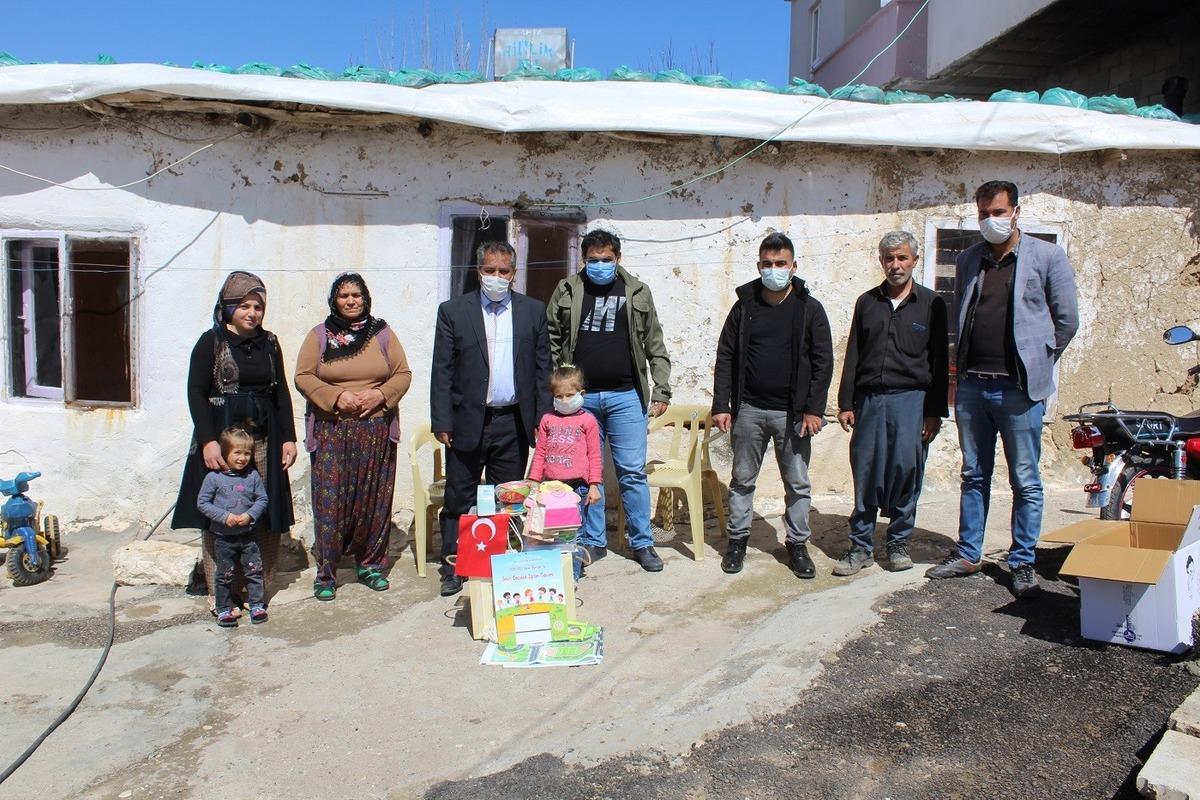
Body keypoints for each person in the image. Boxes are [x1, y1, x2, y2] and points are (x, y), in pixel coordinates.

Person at [926, 180, 1078, 597]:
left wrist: (1038, 360)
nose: (990, 220)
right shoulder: (969, 258)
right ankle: (968, 553)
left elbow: (1067, 320)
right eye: (984, 214)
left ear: (1015, 212)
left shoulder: (1047, 256)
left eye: (998, 212)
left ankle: (1022, 560)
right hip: (973, 386)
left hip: (1019, 390)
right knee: (973, 474)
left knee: (1025, 479)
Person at [172, 271, 298, 616]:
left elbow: (281, 392)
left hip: (264, 438)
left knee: (262, 505)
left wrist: (288, 437)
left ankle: (255, 588)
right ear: (228, 307)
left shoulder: (270, 343)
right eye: (244, 305)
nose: (252, 313)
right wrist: (208, 441)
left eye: (258, 306)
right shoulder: (211, 342)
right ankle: (221, 593)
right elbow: (196, 393)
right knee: (222, 509)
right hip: (223, 438)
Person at [546, 229, 672, 573]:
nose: (600, 265)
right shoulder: (568, 290)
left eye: (606, 259)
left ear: (618, 259)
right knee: (586, 474)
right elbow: (551, 336)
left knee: (632, 472)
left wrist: (661, 388)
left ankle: (642, 543)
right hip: (580, 401)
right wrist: (559, 383)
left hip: (626, 396)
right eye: (593, 260)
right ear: (583, 260)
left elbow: (654, 343)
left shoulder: (637, 291)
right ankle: (592, 541)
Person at [431, 241, 551, 597]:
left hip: (512, 421)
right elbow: (442, 369)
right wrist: (442, 420)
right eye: (489, 270)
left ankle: (504, 564)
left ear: (513, 273)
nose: (496, 276)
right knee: (459, 496)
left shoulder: (532, 311)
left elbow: (543, 368)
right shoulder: (453, 311)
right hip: (466, 420)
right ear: (478, 271)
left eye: (503, 271)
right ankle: (454, 564)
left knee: (509, 498)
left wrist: (541, 417)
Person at [712, 232, 833, 578]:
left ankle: (797, 544)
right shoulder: (744, 307)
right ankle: (737, 541)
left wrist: (814, 409)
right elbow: (726, 355)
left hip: (793, 415)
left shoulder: (809, 309)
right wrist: (722, 404)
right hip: (749, 410)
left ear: (794, 266)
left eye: (781, 263)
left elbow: (823, 362)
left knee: (797, 483)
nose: (774, 270)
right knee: (742, 480)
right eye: (768, 264)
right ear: (758, 266)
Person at [833, 231, 949, 576]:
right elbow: (854, 353)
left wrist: (934, 412)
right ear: (881, 261)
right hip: (870, 401)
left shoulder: (931, 304)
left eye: (902, 258)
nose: (895, 265)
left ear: (914, 261)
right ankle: (860, 546)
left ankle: (898, 542)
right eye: (889, 258)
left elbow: (940, 361)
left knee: (906, 471)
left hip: (911, 401)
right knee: (866, 471)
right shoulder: (867, 303)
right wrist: (846, 402)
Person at [295, 273, 413, 601]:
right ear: (334, 300)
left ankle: (371, 565)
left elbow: (403, 373)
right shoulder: (319, 336)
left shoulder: (383, 334)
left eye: (356, 295)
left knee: (374, 500)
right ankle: (327, 573)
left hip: (376, 431)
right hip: (332, 431)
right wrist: (336, 397)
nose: (350, 301)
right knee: (330, 503)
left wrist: (381, 395)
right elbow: (303, 376)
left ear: (366, 298)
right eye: (344, 295)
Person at [528, 365, 604, 578]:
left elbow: (595, 456)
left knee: (574, 534)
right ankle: (555, 575)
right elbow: (540, 452)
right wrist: (534, 480)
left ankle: (572, 577)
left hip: (578, 487)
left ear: (581, 394)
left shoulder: (588, 421)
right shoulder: (547, 420)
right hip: (552, 487)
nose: (564, 400)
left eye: (570, 395)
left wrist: (594, 485)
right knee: (552, 533)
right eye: (559, 396)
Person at [197, 427, 270, 627]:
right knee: (224, 574)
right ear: (224, 452)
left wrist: (250, 515)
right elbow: (202, 503)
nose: (242, 458)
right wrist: (225, 516)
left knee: (254, 571)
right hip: (224, 538)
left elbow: (262, 499)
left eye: (247, 453)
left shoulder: (252, 476)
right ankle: (223, 609)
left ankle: (256, 605)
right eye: (237, 452)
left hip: (248, 536)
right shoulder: (214, 478)